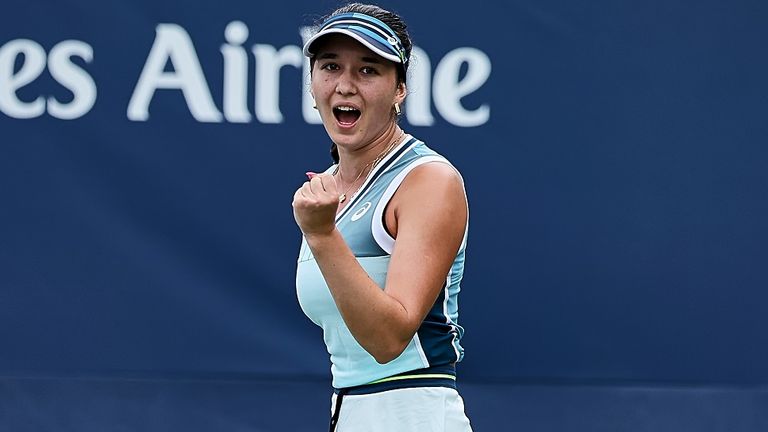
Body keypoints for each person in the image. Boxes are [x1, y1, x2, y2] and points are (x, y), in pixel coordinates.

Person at [293, 4, 472, 431]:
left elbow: (388, 340)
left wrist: (322, 236)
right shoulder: (331, 189)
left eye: (369, 71)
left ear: (400, 90)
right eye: (330, 66)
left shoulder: (429, 180)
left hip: (414, 415)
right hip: (353, 412)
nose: (345, 86)